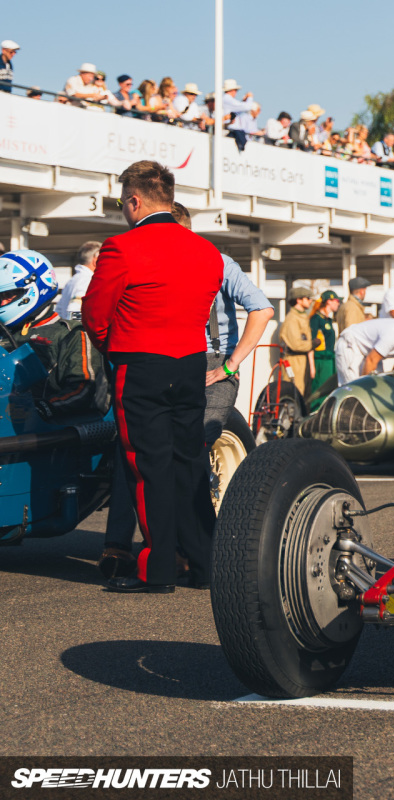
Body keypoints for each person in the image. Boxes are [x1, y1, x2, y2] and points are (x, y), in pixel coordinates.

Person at [99, 203, 275, 580]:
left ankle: (188, 551)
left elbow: (261, 308)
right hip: (175, 361)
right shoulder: (154, 262)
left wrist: (229, 365)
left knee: (190, 446)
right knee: (135, 449)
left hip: (210, 364)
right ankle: (119, 546)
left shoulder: (216, 261)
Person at [82, 160, 223, 593]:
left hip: (141, 364)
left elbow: (94, 315)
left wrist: (113, 348)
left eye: (122, 203)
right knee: (190, 463)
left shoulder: (121, 247)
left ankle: (158, 569)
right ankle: (204, 564)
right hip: (191, 363)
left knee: (148, 468)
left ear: (135, 201)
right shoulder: (207, 251)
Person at [0, 250, 108, 421]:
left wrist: (41, 408)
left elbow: (84, 388)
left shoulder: (71, 333)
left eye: (8, 295)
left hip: (50, 429)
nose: (2, 302)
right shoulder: (3, 334)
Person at [333, 319, 394, 385]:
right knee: (353, 386)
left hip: (369, 351)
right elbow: (371, 360)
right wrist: (365, 390)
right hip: (351, 344)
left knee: (379, 383)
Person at [278, 286, 315, 396]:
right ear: (298, 300)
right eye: (308, 298)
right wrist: (312, 344)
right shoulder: (292, 319)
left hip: (302, 359)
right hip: (293, 360)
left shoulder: (302, 316)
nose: (310, 301)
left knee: (302, 392)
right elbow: (296, 344)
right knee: (294, 391)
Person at [54, 241, 101, 320]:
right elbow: (74, 310)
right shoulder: (87, 280)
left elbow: (59, 311)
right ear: (95, 260)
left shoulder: (73, 280)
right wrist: (77, 327)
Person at [309, 290, 341, 406]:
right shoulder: (316, 319)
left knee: (330, 390)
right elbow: (311, 343)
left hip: (330, 358)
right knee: (320, 390)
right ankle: (315, 412)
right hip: (320, 359)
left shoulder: (328, 320)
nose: (338, 304)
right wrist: (312, 366)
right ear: (329, 301)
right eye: (336, 301)